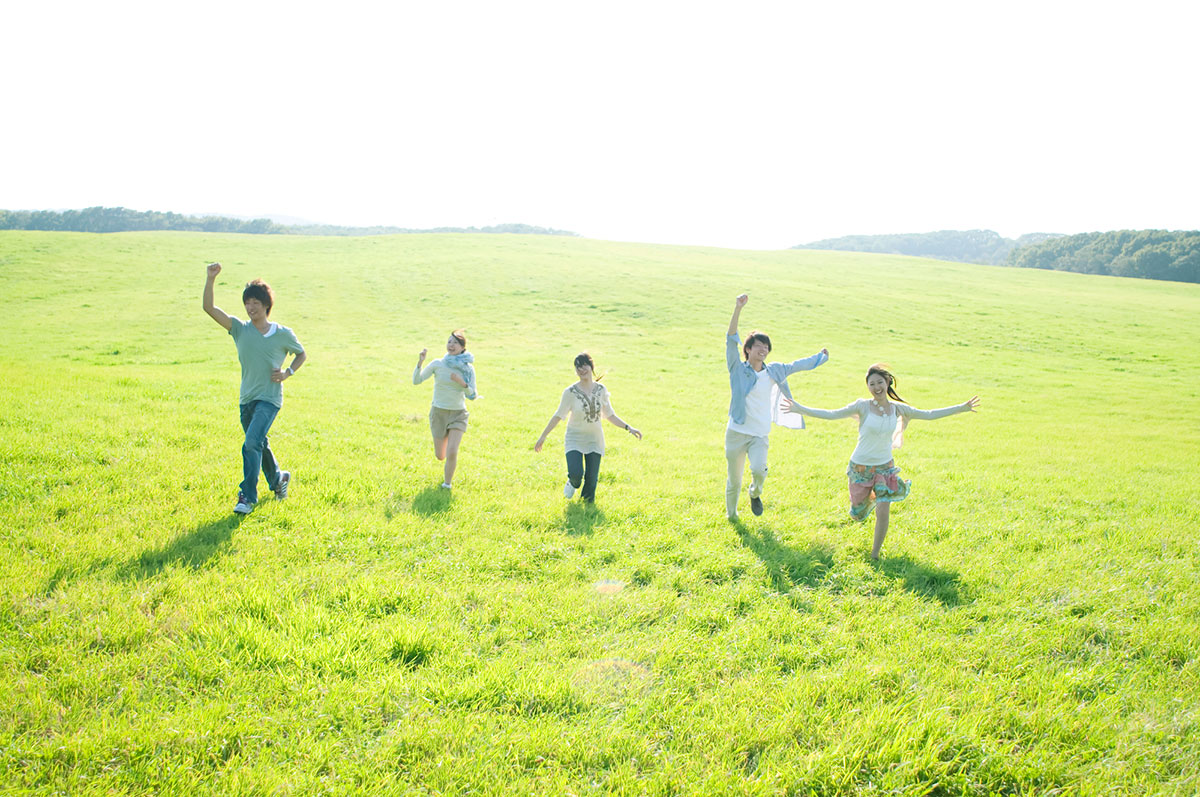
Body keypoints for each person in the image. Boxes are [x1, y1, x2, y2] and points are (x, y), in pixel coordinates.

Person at [782, 364, 979, 560]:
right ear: (867, 387)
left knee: (884, 510)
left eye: (880, 382)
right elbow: (832, 414)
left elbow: (929, 414)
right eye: (872, 384)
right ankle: (861, 509)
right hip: (860, 467)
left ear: (887, 383)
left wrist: (962, 408)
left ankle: (875, 554)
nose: (876, 387)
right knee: (858, 511)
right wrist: (800, 409)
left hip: (885, 467)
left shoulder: (898, 409)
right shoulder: (862, 406)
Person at [202, 263, 307, 514]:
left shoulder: (282, 334)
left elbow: (301, 354)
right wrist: (210, 279)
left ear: (266, 305)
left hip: (269, 399)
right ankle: (278, 479)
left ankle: (247, 497)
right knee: (259, 443)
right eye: (247, 303)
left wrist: (287, 372)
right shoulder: (239, 329)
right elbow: (209, 308)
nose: (250, 308)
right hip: (246, 399)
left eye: (255, 303)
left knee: (250, 443)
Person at [725, 293, 829, 520]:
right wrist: (738, 308)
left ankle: (755, 493)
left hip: (759, 434)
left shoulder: (774, 371)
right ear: (748, 349)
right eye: (758, 346)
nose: (763, 350)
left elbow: (796, 365)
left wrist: (819, 358)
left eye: (766, 347)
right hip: (736, 432)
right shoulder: (737, 369)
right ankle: (732, 516)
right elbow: (731, 338)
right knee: (734, 479)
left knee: (759, 470)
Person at [533, 353, 642, 502]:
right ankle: (572, 482)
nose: (581, 369)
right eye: (578, 366)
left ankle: (586, 512)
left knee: (591, 482)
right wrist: (543, 437)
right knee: (577, 475)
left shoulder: (601, 390)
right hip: (574, 439)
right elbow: (558, 415)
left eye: (584, 365)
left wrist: (629, 428)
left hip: (594, 440)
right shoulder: (570, 392)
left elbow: (610, 415)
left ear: (591, 366)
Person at [413, 329, 477, 489]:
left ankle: (447, 484)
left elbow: (473, 395)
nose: (451, 345)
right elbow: (417, 380)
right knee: (440, 455)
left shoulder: (467, 369)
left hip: (458, 414)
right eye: (449, 341)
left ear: (463, 347)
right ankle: (445, 442)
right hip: (439, 413)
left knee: (452, 451)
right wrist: (420, 362)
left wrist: (462, 383)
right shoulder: (437, 364)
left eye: (456, 342)